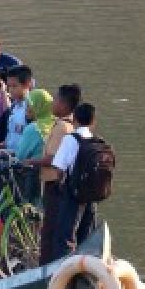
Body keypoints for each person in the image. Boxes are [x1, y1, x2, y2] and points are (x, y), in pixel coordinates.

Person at [29, 83, 80, 263]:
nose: (53, 103)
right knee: (51, 227)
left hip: (55, 184)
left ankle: (47, 269)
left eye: (56, 99)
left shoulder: (62, 128)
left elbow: (52, 159)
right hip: (54, 184)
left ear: (64, 105)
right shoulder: (63, 125)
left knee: (50, 229)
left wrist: (27, 162)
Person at [50, 102, 100, 259]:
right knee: (86, 235)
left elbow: (58, 168)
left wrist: (60, 185)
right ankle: (86, 271)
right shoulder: (97, 141)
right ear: (93, 121)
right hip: (92, 195)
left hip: (74, 194)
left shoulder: (71, 139)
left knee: (65, 237)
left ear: (75, 120)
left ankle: (64, 275)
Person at [16, 88, 53, 206]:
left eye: (30, 104)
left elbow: (20, 155)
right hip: (51, 179)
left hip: (32, 177)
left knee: (30, 212)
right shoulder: (57, 124)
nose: (27, 108)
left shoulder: (33, 128)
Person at [2, 65, 34, 154]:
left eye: (14, 86)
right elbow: (11, 139)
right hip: (11, 158)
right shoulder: (13, 107)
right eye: (9, 86)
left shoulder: (32, 108)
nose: (10, 90)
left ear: (28, 84)